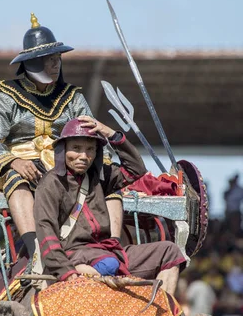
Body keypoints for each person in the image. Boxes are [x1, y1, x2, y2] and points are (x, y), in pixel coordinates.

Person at [0, 14, 126, 262]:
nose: (56, 65)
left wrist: (107, 165)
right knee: (16, 179)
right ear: (32, 63)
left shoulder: (73, 98)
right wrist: (14, 162)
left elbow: (93, 135)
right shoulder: (4, 98)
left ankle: (112, 246)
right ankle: (36, 249)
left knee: (108, 180)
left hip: (65, 165)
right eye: (49, 60)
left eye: (57, 59)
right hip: (22, 166)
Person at [34, 119, 187, 294]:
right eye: (76, 148)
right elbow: (46, 232)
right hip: (73, 254)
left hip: (109, 252)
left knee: (170, 251)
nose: (83, 156)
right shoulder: (50, 183)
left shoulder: (101, 176)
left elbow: (136, 169)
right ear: (63, 150)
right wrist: (66, 272)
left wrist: (111, 134)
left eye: (90, 149)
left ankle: (164, 315)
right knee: (108, 263)